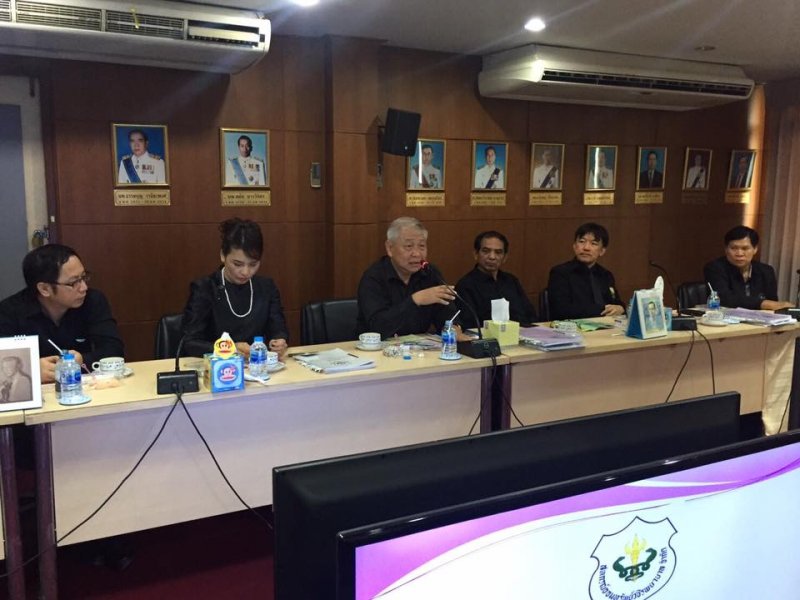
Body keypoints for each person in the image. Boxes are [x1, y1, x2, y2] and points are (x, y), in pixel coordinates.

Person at [0, 244, 124, 383]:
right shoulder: (9, 311)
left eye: (83, 277)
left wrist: (83, 360)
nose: (84, 287)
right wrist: (30, 369)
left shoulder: (93, 300)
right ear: (45, 289)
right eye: (74, 282)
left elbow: (114, 350)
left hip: (82, 386)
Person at [182, 218, 288, 359]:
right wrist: (230, 348)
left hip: (257, 365)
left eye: (253, 264)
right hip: (217, 366)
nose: (245, 272)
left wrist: (279, 341)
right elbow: (190, 343)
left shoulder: (266, 287)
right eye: (238, 264)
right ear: (223, 255)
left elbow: (278, 329)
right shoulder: (204, 288)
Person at [357, 216, 460, 338]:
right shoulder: (373, 278)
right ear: (390, 248)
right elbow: (378, 326)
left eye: (422, 246)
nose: (417, 254)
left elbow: (448, 315)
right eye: (409, 246)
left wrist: (453, 328)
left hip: (419, 346)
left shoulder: (430, 273)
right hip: (376, 347)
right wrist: (415, 300)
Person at [455, 231, 537, 328]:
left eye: (498, 252)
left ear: (505, 257)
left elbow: (530, 315)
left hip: (523, 333)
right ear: (476, 254)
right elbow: (469, 325)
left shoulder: (511, 280)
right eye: (486, 251)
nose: (492, 257)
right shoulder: (466, 285)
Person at [703, 226, 793, 311]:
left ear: (755, 249)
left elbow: (773, 303)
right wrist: (763, 304)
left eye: (745, 248)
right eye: (734, 248)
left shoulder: (766, 271)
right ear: (726, 249)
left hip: (761, 320)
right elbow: (724, 298)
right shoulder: (714, 268)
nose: (739, 253)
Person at [547, 223, 625, 320]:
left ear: (602, 251)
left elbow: (615, 302)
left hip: (607, 326)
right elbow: (561, 310)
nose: (586, 248)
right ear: (574, 246)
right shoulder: (560, 273)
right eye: (582, 241)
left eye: (593, 243)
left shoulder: (605, 275)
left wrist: (620, 308)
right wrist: (602, 310)